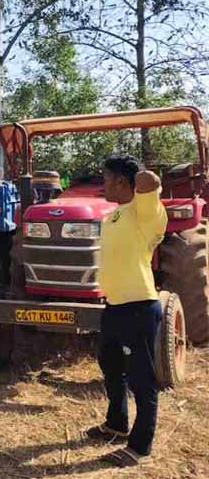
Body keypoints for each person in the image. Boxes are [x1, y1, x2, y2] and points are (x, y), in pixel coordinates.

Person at [85, 155, 166, 468]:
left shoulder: (144, 211)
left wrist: (134, 169)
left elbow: (149, 182)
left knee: (141, 378)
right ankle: (117, 424)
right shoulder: (115, 215)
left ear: (121, 181)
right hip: (115, 305)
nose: (102, 184)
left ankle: (139, 446)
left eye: (106, 178)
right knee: (110, 365)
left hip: (138, 306)